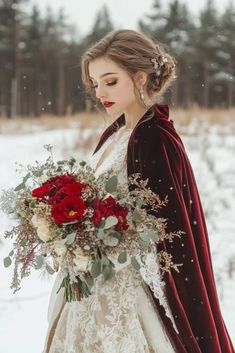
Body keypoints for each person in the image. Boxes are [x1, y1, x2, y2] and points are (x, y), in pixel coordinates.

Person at [43, 29, 235, 353]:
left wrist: (97, 233)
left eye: (110, 80)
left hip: (122, 297)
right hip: (90, 285)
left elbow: (166, 232)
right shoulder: (119, 132)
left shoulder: (153, 136)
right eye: (95, 84)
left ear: (141, 77)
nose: (100, 91)